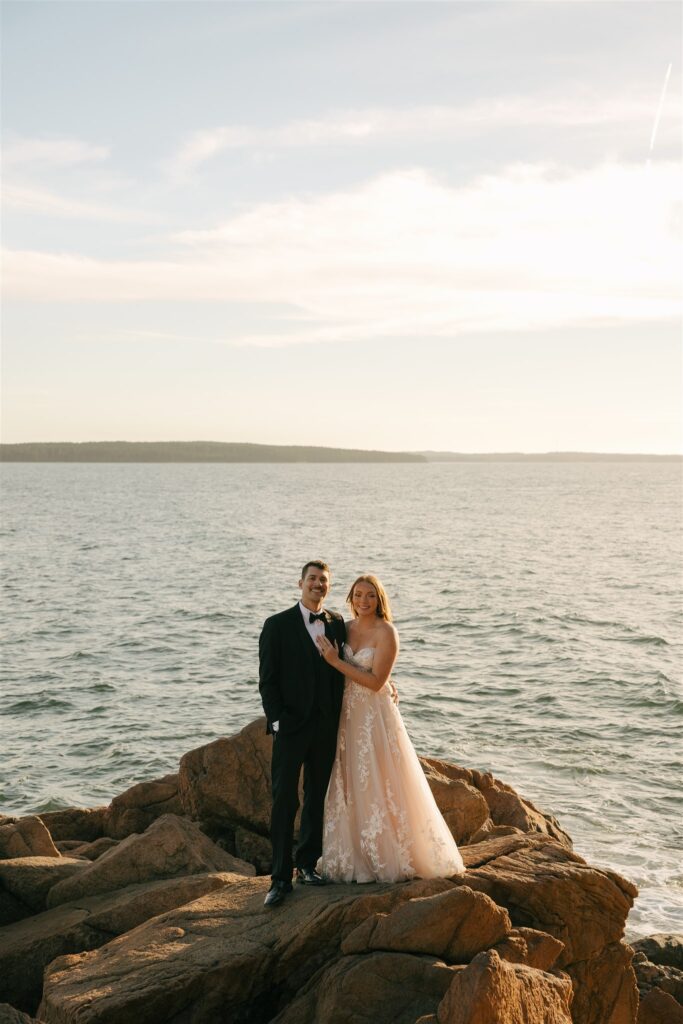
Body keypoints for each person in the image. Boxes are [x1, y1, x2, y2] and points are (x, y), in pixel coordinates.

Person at [317, 574, 465, 882]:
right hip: (347, 714)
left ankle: (389, 854)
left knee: (382, 778)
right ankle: (355, 854)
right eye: (357, 595)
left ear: (379, 599)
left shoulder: (387, 633)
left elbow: (375, 682)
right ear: (350, 598)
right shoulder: (345, 628)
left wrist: (335, 661)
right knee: (351, 779)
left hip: (374, 714)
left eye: (370, 595)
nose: (363, 600)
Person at [258, 559, 346, 907]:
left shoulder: (337, 623)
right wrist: (277, 721)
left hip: (325, 727)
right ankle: (279, 878)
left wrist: (388, 687)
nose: (318, 585)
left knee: (315, 798)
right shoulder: (276, 625)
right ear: (300, 583)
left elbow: (350, 665)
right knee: (283, 801)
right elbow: (268, 680)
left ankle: (307, 865)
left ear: (329, 586)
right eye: (312, 579)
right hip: (291, 728)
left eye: (323, 580)